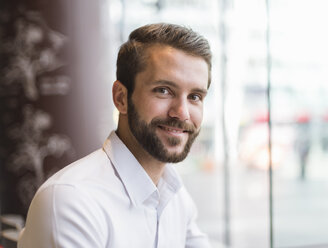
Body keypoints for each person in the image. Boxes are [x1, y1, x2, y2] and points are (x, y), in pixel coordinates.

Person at [18, 23, 212, 248]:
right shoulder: (71, 201)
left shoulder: (174, 195)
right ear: (121, 98)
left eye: (195, 96)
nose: (182, 113)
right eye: (163, 90)